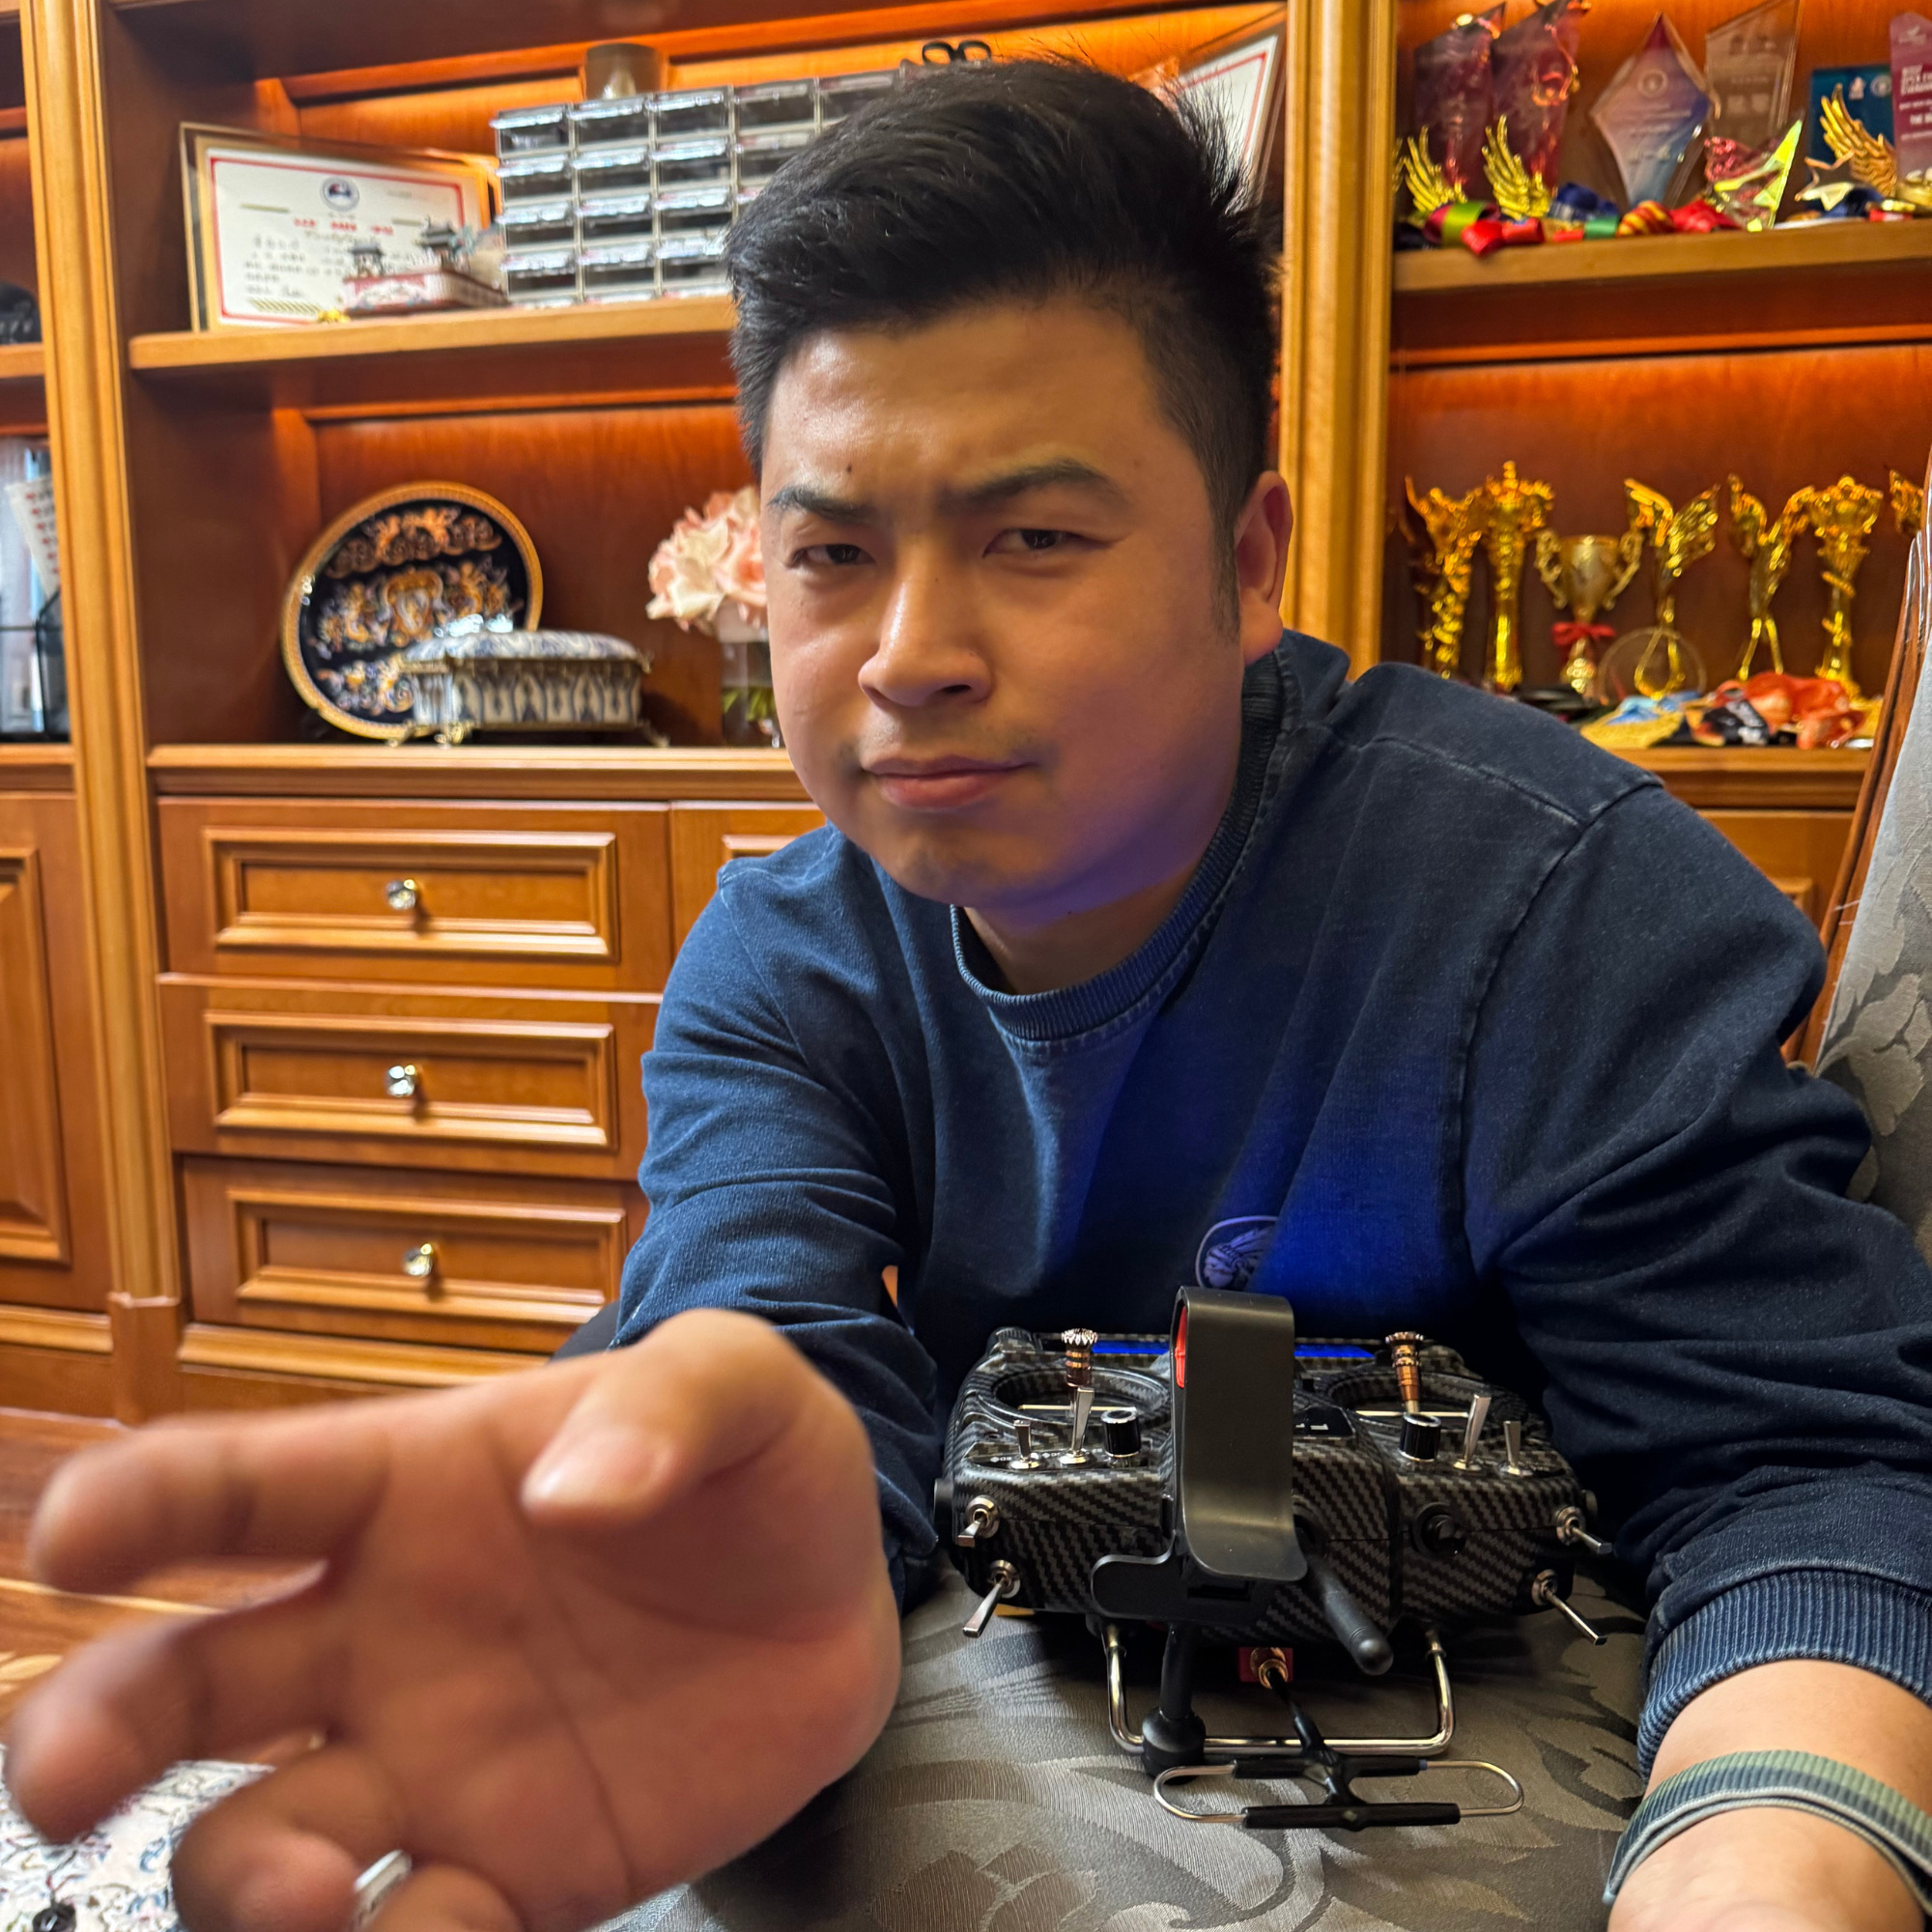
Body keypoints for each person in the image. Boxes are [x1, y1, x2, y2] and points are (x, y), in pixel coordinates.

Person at [10, 58, 1932, 1932]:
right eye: (833, 554)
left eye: (1034, 538)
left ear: (1246, 557)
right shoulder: (781, 958)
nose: (909, 654)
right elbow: (765, 1337)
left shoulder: (1552, 902)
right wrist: (722, 1543)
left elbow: (1790, 1459)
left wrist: (1773, 1848)